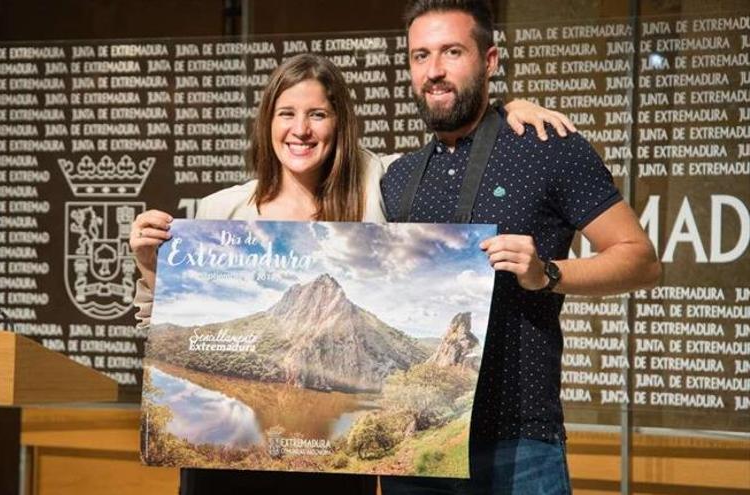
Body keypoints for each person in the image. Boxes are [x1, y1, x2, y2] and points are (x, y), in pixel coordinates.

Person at [131, 54, 579, 495]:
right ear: (267, 122)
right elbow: (163, 326)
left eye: (318, 115)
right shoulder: (219, 210)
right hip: (225, 479)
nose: (300, 129)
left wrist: (505, 110)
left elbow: (454, 142)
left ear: (338, 123)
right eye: (286, 113)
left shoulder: (376, 182)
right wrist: (152, 266)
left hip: (334, 480)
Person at [378, 1, 661, 494]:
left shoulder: (548, 147)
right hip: (422, 440)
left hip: (520, 443)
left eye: (451, 52)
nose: (435, 71)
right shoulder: (396, 177)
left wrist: (547, 273)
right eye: (420, 56)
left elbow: (640, 258)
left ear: (489, 61)